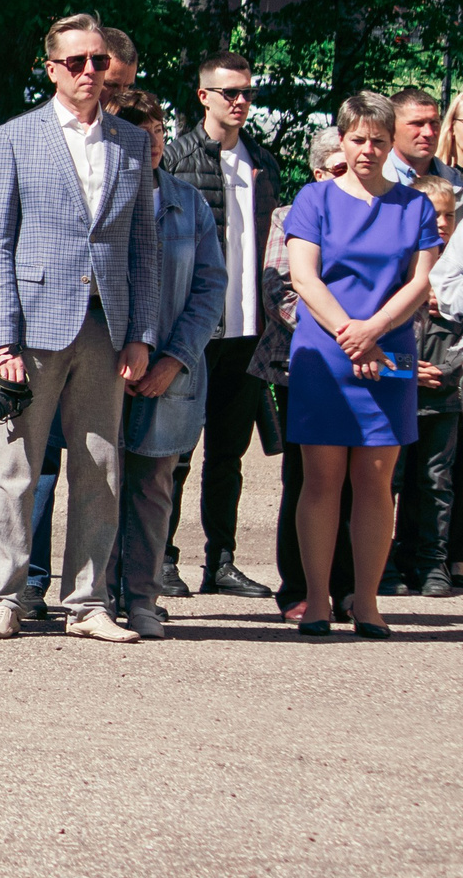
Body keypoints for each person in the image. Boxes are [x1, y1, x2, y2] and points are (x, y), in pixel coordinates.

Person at [0, 13, 161, 643]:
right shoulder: (14, 137)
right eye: (77, 62)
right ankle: (5, 596)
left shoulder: (130, 144)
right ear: (51, 68)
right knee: (18, 466)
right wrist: (1, 338)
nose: (90, 72)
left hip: (106, 327)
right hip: (34, 325)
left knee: (100, 468)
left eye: (99, 62)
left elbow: (144, 247)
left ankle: (88, 603)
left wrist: (141, 333)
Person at [282, 92, 440, 637]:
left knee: (377, 482)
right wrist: (354, 335)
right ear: (342, 140)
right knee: (321, 481)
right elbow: (305, 278)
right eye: (358, 139)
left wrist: (374, 332)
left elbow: (420, 281)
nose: (368, 149)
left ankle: (367, 602)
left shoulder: (415, 205)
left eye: (377, 139)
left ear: (389, 140)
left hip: (389, 351)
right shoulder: (314, 199)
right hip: (324, 354)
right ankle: (319, 601)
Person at [157, 51, 282, 599]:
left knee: (228, 454)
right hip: (194, 331)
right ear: (203, 96)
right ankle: (160, 557)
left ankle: (222, 560)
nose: (241, 102)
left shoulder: (263, 161)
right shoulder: (179, 158)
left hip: (248, 331)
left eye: (248, 93)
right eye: (230, 92)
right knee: (176, 451)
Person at [106, 92, 225, 638]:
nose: (153, 140)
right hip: (104, 368)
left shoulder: (190, 204)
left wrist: (174, 359)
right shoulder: (102, 198)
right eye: (140, 131)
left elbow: (210, 289)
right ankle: (95, 597)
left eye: (158, 129)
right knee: (99, 482)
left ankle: (143, 599)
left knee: (153, 485)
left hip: (169, 374)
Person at [257, 128, 351, 623]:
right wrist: (341, 329)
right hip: (306, 364)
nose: (349, 176)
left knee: (362, 480)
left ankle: (351, 588)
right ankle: (298, 586)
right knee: (306, 479)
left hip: (367, 361)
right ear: (317, 174)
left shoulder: (379, 211)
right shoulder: (288, 216)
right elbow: (279, 293)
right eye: (337, 169)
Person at [408, 179, 463, 595]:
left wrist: (447, 369)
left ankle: (432, 563)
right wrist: (408, 368)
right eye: (433, 213)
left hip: (447, 387)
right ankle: (392, 562)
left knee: (435, 479)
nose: (441, 223)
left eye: (449, 215)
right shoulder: (402, 262)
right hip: (399, 382)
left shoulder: (455, 270)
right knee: (390, 479)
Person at [385, 88, 459, 188]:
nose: (429, 133)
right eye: (417, 123)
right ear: (391, 128)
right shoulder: (368, 182)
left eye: (434, 123)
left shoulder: (457, 181)